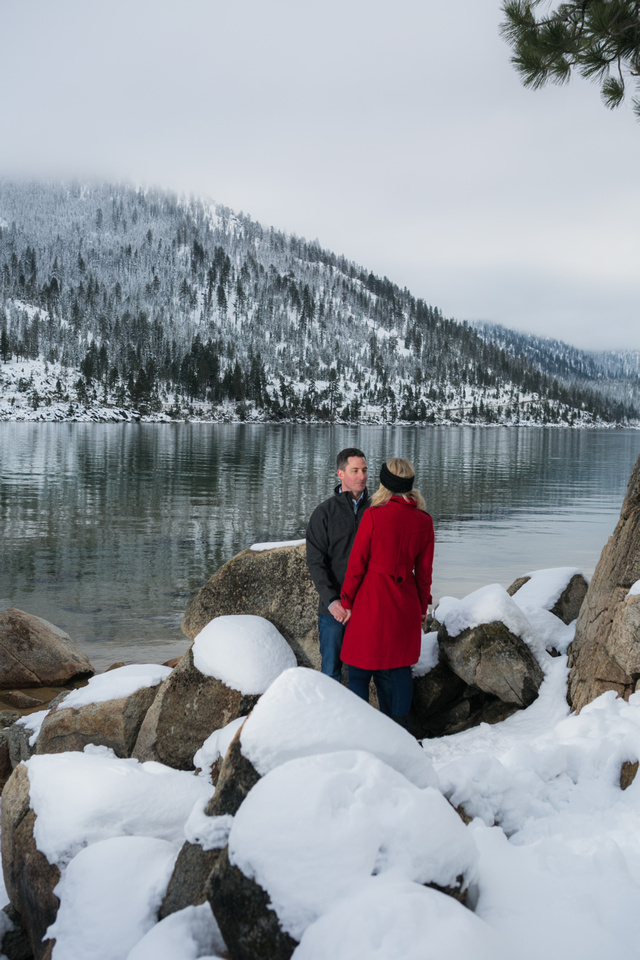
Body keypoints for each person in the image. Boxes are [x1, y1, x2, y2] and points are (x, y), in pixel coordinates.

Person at [339, 457, 434, 726]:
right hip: (405, 602)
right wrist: (423, 607)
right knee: (400, 669)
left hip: (371, 599)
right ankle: (400, 730)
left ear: (385, 483)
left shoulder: (373, 515)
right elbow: (424, 574)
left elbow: (356, 565)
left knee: (358, 670)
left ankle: (360, 728)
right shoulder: (424, 521)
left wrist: (346, 600)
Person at [306, 447, 370, 681]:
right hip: (333, 609)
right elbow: (315, 561)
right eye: (355, 471)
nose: (362, 476)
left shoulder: (375, 510)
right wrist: (332, 601)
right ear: (340, 474)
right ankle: (328, 717)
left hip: (366, 607)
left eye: (364, 470)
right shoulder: (324, 513)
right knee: (331, 671)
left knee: (361, 673)